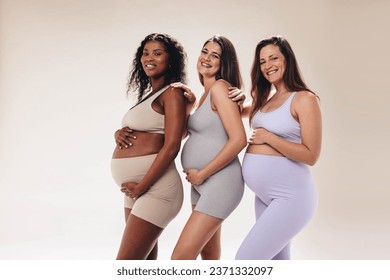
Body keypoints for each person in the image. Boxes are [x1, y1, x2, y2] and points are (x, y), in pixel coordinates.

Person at [235, 36, 322, 260]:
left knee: (245, 262)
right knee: (276, 264)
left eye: (273, 58)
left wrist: (269, 138)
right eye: (262, 61)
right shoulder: (264, 100)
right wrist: (192, 99)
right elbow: (227, 110)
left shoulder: (305, 99)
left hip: (292, 196)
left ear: (287, 60)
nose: (267, 66)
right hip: (265, 197)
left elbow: (311, 155)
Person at [110, 33, 187, 260]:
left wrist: (142, 186)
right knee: (143, 265)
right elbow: (148, 130)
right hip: (136, 190)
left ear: (170, 60)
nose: (149, 58)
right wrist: (118, 134)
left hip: (156, 190)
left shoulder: (172, 93)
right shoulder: (150, 95)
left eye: (157, 53)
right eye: (145, 53)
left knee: (126, 265)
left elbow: (172, 145)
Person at [170, 35, 247, 260]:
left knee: (180, 258)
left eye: (215, 56)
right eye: (205, 51)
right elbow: (185, 134)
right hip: (201, 183)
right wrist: (190, 106)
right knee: (210, 257)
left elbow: (239, 140)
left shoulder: (221, 88)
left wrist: (203, 174)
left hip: (219, 182)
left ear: (224, 64)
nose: (207, 58)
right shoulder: (205, 93)